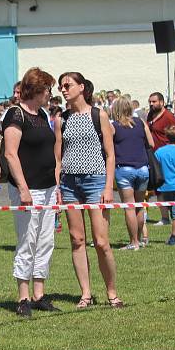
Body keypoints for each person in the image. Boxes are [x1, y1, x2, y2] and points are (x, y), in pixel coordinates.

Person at [56, 72, 123, 309]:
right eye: (60, 86)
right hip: (69, 183)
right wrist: (58, 187)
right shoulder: (61, 119)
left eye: (67, 85)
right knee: (77, 239)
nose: (63, 89)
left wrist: (108, 186)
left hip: (96, 181)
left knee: (102, 241)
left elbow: (110, 154)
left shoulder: (98, 115)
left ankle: (112, 293)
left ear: (81, 87)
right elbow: (58, 157)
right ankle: (85, 293)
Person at [2, 67, 61, 318]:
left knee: (45, 240)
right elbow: (10, 153)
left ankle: (39, 294)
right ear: (37, 89)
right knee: (27, 240)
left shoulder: (42, 113)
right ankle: (23, 297)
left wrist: (56, 187)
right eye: (48, 89)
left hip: (48, 188)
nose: (50, 94)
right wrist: (23, 188)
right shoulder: (16, 114)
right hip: (28, 190)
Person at [110, 96, 154, 250]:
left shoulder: (113, 126)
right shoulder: (141, 123)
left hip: (125, 169)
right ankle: (140, 239)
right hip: (143, 169)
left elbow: (107, 148)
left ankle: (133, 241)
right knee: (139, 206)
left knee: (129, 207)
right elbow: (151, 143)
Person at [147, 92, 175, 225]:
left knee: (168, 186)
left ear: (162, 102)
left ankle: (173, 216)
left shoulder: (169, 116)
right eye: (150, 102)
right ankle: (164, 217)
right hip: (153, 156)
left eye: (154, 102)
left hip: (166, 156)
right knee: (157, 186)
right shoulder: (150, 115)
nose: (151, 104)